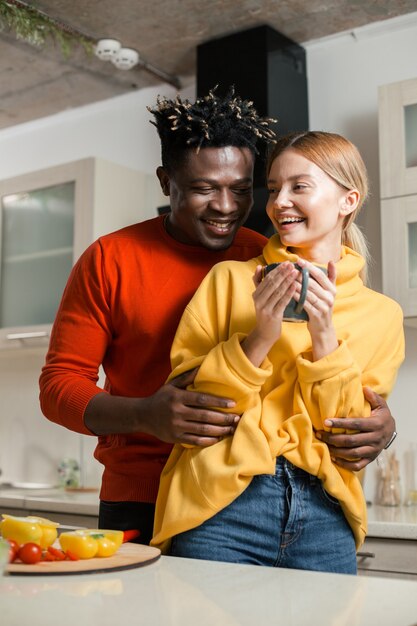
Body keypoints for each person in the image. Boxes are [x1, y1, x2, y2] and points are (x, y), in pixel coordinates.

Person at [39, 89, 396, 545]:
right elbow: (58, 386)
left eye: (241, 190)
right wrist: (145, 415)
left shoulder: (268, 259)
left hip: (242, 498)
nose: (225, 206)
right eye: (204, 189)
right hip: (141, 494)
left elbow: (310, 377)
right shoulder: (112, 258)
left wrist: (379, 426)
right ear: (166, 181)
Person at [151, 131, 405, 574]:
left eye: (299, 187)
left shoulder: (381, 314)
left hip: (327, 514)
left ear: (348, 200)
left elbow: (346, 437)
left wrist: (325, 335)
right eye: (273, 189)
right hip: (222, 504)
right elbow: (199, 409)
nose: (278, 203)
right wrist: (260, 336)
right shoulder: (228, 280)